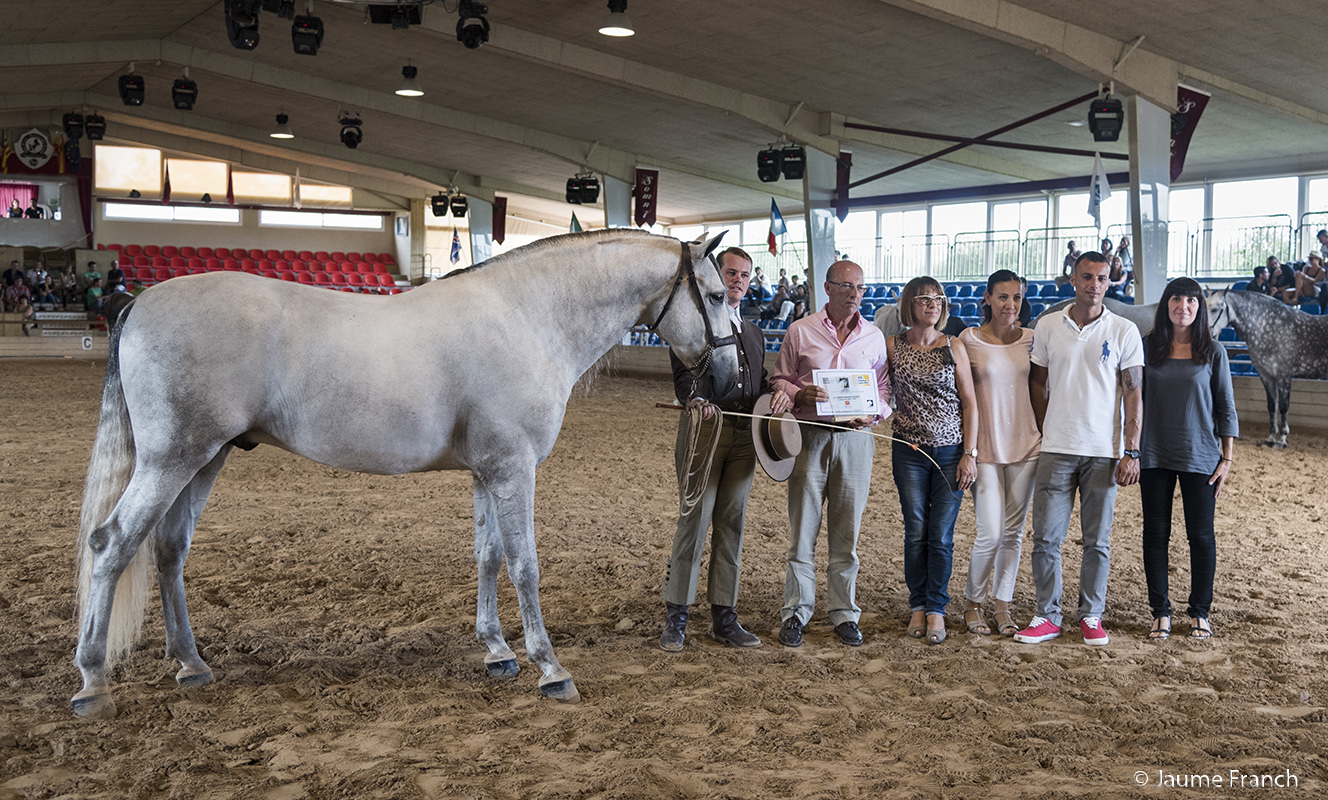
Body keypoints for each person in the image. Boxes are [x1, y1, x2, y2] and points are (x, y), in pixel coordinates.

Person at [1015, 250, 1144, 646]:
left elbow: (1134, 391)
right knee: (1045, 539)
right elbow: (1037, 382)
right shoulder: (1049, 325)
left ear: (1109, 283)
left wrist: (1132, 448)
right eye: (1087, 276)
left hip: (1104, 451)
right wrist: (1044, 424)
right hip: (1056, 447)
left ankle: (1091, 615)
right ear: (1073, 279)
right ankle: (1047, 615)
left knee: (1097, 541)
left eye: (1102, 278)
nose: (1094, 284)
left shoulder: (1124, 330)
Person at [771, 260, 891, 648]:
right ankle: (796, 611)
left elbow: (884, 388)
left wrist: (873, 413)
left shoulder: (873, 337)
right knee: (802, 528)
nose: (856, 294)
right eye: (847, 286)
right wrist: (797, 395)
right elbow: (781, 380)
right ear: (828, 288)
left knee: (846, 532)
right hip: (809, 435)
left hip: (856, 441)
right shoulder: (799, 331)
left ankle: (844, 612)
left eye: (860, 287)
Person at [659, 246, 769, 652]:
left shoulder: (755, 332)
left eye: (744, 274)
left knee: (732, 524)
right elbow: (683, 376)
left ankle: (725, 616)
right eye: (730, 272)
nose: (737, 279)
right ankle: (677, 618)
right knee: (694, 520)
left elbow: (761, 381)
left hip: (745, 435)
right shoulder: (696, 325)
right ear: (716, 276)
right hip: (706, 430)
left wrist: (778, 396)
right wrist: (692, 398)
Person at [1138, 277, 1238, 641]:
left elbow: (1226, 405)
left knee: (1201, 536)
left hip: (1201, 456)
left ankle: (1200, 612)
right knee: (1155, 534)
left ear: (1199, 307)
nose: (1184, 306)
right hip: (1154, 454)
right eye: (1177, 299)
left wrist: (1227, 458)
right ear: (1166, 305)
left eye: (1192, 301)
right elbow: (1133, 401)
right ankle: (1160, 611)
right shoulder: (1147, 347)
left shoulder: (1213, 352)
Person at [888, 276, 978, 645]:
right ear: (910, 304)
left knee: (940, 534)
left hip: (949, 451)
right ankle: (918, 606)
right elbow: (877, 390)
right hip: (907, 451)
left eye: (937, 298)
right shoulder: (892, 346)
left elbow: (970, 403)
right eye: (924, 298)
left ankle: (937, 607)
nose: (932, 304)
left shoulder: (954, 346)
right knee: (916, 530)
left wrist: (969, 455)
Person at [959, 270, 1041, 638]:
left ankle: (1003, 604)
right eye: (1003, 297)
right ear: (988, 299)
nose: (1010, 305)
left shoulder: (1032, 340)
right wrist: (968, 451)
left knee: (1013, 534)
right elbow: (962, 398)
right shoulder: (968, 340)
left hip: (1027, 446)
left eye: (1017, 298)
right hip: (986, 450)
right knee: (990, 533)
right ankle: (972, 601)